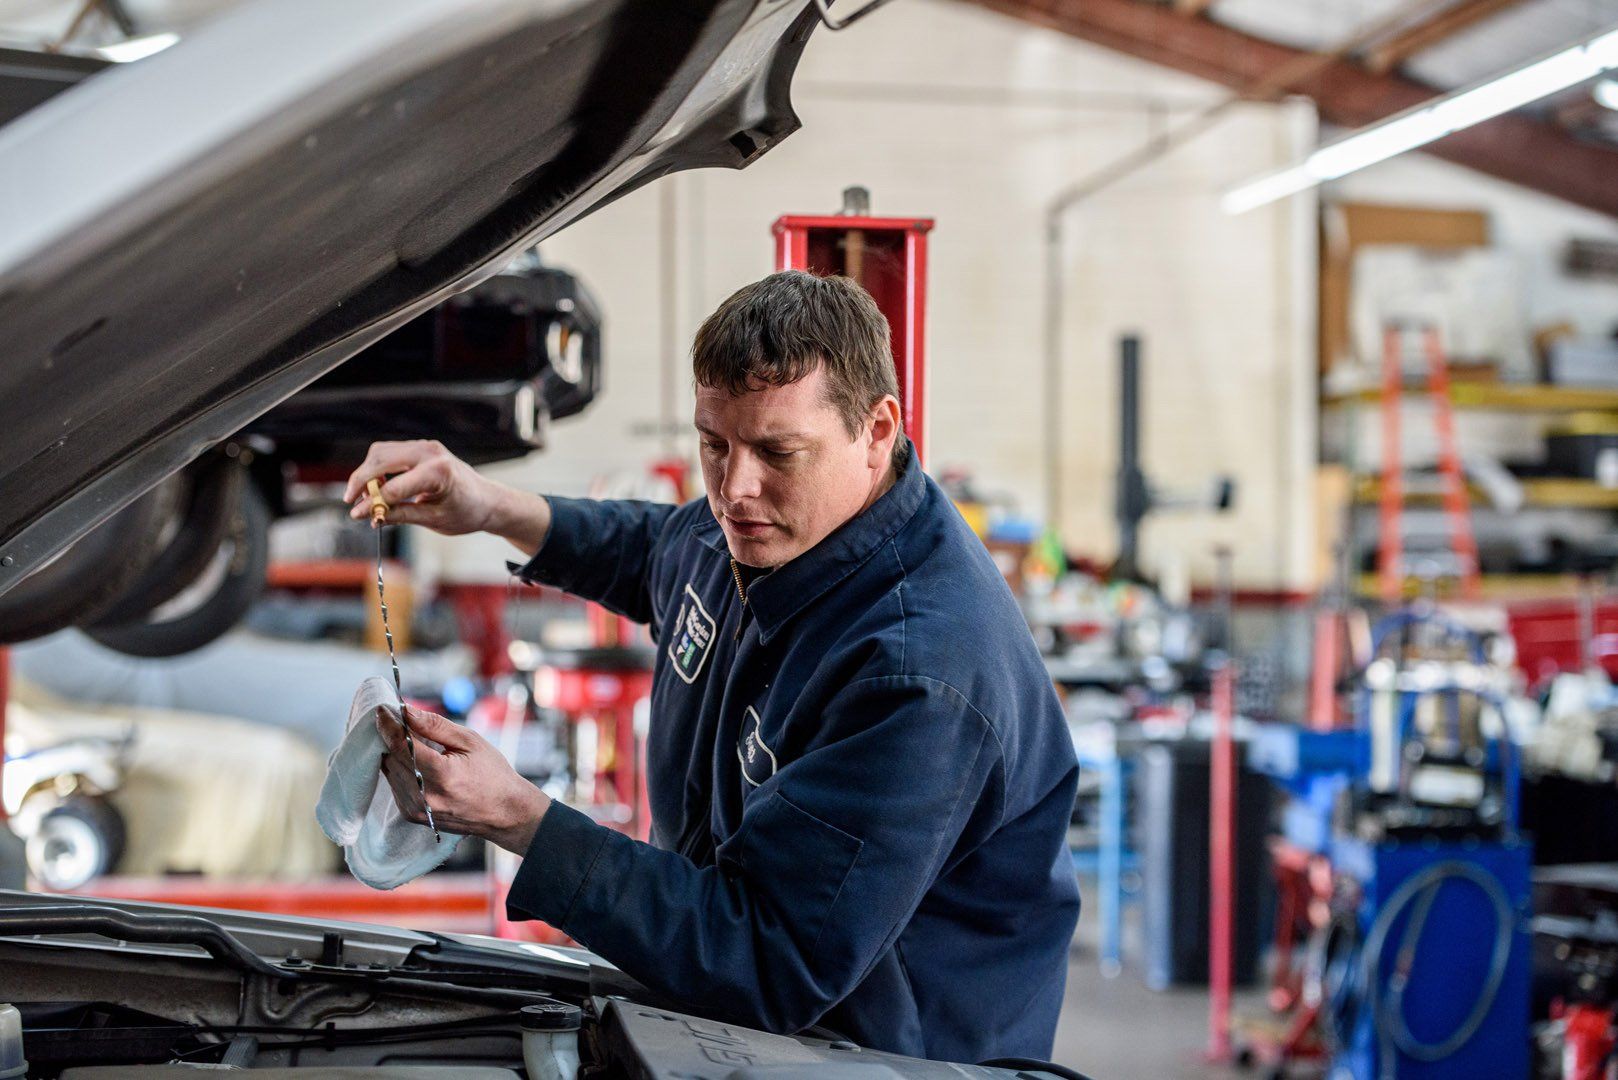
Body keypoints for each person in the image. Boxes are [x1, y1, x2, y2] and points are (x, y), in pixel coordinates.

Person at [345, 270, 1081, 1063]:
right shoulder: (763, 530)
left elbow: (772, 957)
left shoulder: (917, 675)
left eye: (777, 451)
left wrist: (520, 818)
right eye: (714, 444)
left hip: (891, 1054)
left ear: (878, 431)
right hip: (744, 1017)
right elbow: (659, 548)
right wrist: (490, 507)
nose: (735, 489)